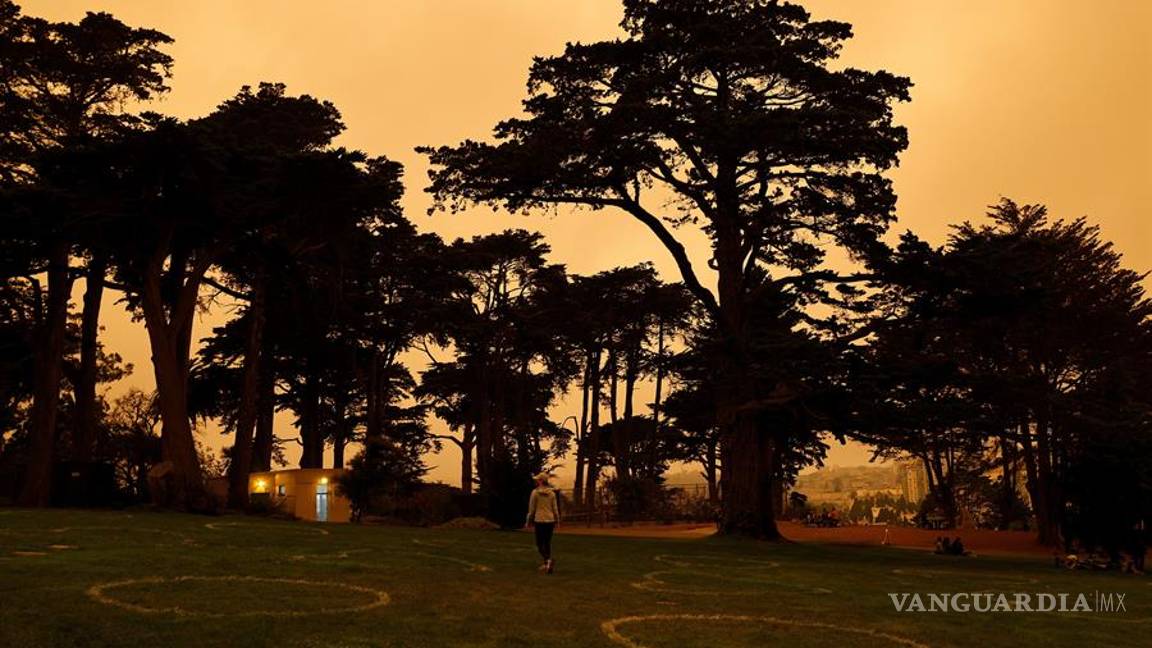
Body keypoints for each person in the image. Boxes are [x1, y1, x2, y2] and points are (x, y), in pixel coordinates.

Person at [525, 472, 561, 574]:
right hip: (550, 520)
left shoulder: (535, 493)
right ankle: (547, 564)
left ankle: (547, 560)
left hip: (540, 520)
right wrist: (557, 520)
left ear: (541, 481)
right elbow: (555, 508)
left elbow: (531, 509)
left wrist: (528, 521)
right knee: (547, 543)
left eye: (537, 480)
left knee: (539, 544)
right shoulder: (552, 493)